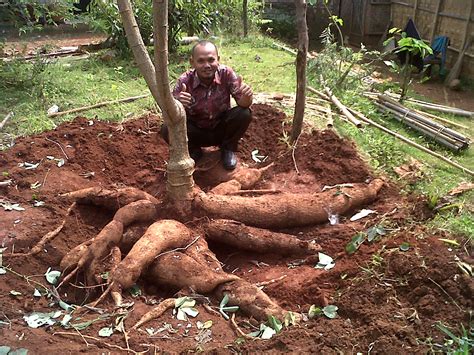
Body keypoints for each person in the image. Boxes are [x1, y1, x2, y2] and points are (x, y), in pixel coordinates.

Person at [160, 40, 253, 170]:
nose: (207, 65)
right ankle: (193, 151)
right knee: (166, 128)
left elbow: (243, 103)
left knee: (244, 113)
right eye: (201, 61)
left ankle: (228, 148)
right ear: (192, 62)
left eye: (211, 60)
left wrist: (247, 97)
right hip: (196, 132)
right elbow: (170, 114)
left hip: (221, 128)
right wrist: (179, 104)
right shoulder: (184, 81)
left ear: (218, 59)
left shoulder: (226, 74)